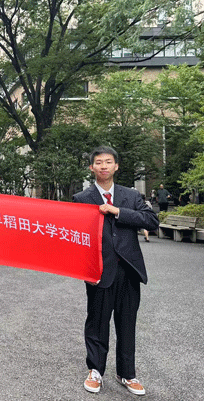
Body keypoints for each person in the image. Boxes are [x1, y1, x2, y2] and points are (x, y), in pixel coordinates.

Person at [73, 146, 159, 396]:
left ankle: (127, 373)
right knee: (97, 323)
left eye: (108, 162)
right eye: (99, 162)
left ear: (116, 166)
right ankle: (95, 371)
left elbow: (151, 221)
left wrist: (118, 211)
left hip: (129, 270)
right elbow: (76, 237)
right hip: (99, 272)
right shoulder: (82, 198)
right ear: (92, 167)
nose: (104, 166)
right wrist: (84, 269)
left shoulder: (130, 196)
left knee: (127, 323)